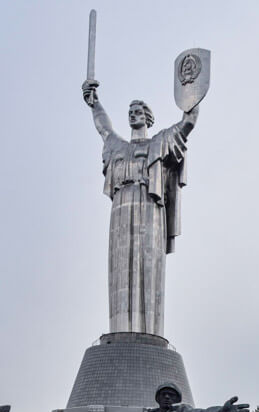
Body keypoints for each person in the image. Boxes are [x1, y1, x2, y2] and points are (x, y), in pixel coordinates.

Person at [82, 82, 199, 336]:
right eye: (130, 111)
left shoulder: (159, 142)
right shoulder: (118, 147)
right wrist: (95, 104)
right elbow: (103, 128)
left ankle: (149, 333)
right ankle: (121, 331)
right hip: (122, 210)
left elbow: (188, 123)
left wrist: (192, 94)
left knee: (148, 267)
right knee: (120, 271)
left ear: (147, 117)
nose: (133, 114)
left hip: (150, 208)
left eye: (138, 111)